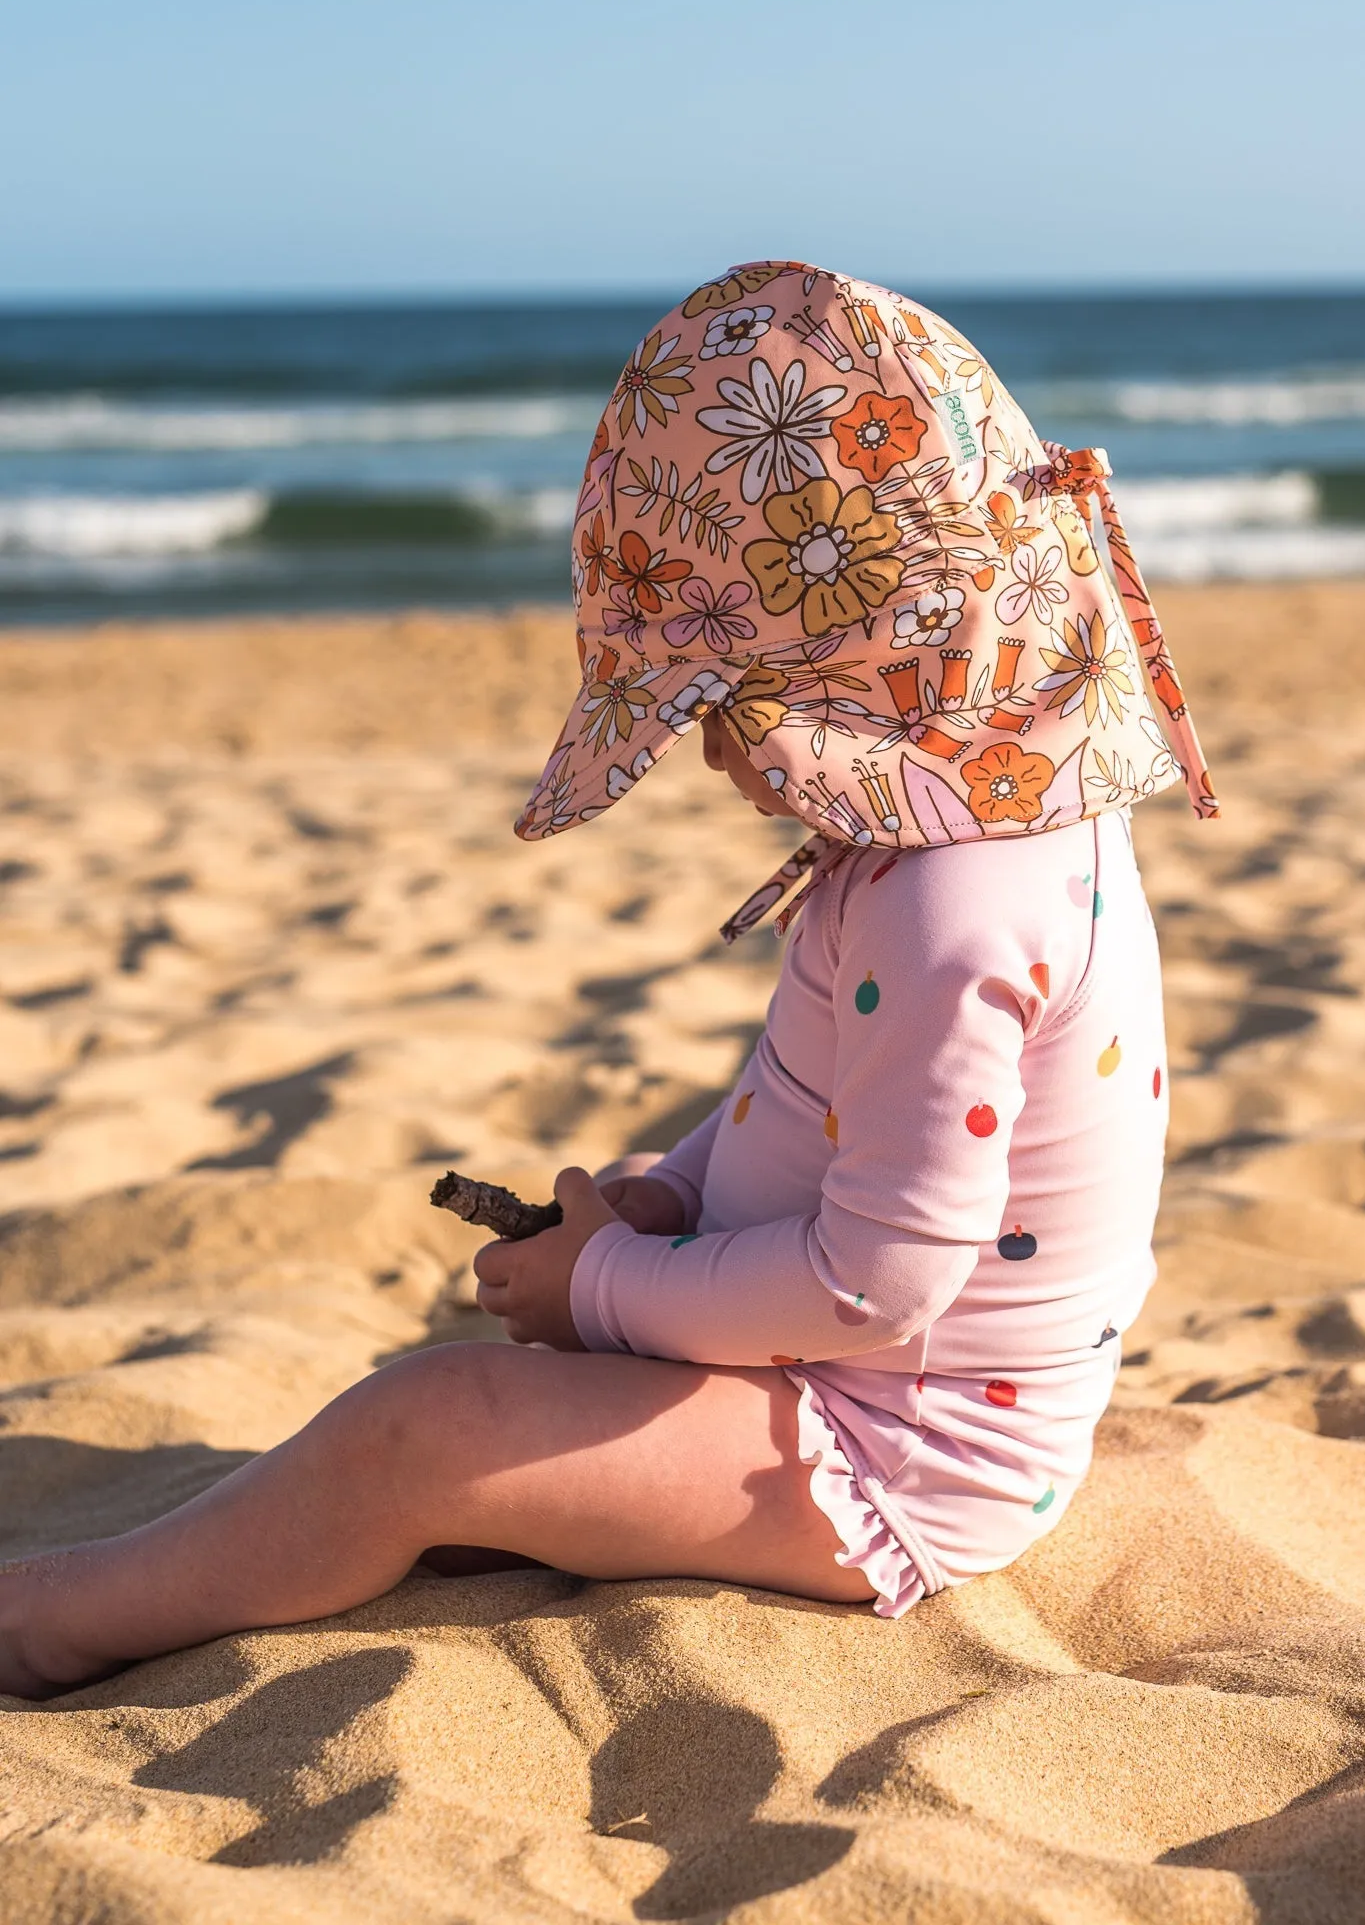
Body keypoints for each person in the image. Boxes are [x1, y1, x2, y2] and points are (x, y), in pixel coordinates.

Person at [0, 263, 1215, 1698]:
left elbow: (875, 1287)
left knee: (428, 1423)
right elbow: (813, 1097)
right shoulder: (983, 820)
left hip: (894, 1456)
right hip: (837, 1377)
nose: (709, 755)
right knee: (442, 1430)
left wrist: (609, 1287)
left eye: (728, 703)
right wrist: (677, 1195)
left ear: (866, 675)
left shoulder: (953, 912)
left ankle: (66, 1616)